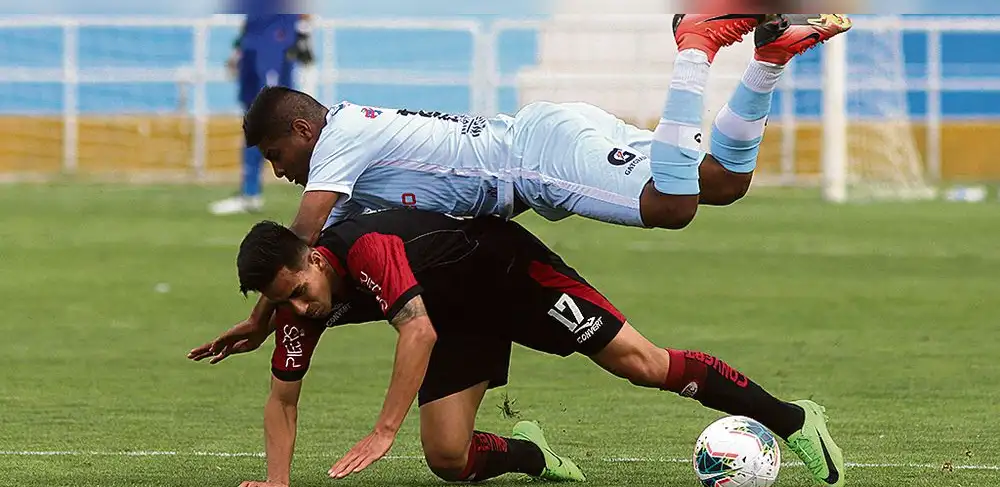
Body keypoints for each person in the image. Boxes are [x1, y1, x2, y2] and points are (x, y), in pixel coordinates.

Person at [200, 14, 852, 359]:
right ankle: (766, 58)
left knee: (674, 205)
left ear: (304, 127)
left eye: (278, 153)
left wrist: (261, 319)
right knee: (723, 184)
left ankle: (695, 44)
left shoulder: (338, 139)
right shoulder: (350, 139)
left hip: (533, 160)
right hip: (545, 135)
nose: (281, 169)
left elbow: (300, 239)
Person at [188, 208, 846, 487]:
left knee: (643, 366)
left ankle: (793, 420)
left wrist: (384, 428)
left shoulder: (365, 249)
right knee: (447, 459)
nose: (302, 310)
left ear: (311, 257)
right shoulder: (292, 306)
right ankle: (535, 454)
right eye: (286, 303)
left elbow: (415, 331)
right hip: (455, 315)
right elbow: (282, 396)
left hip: (511, 275)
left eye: (301, 291)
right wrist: (276, 480)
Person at [210, 12, 315, 216]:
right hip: (254, 35)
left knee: (275, 112)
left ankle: (321, 190)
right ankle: (249, 192)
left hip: (276, 35)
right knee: (252, 116)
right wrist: (240, 47)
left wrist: (303, 31)